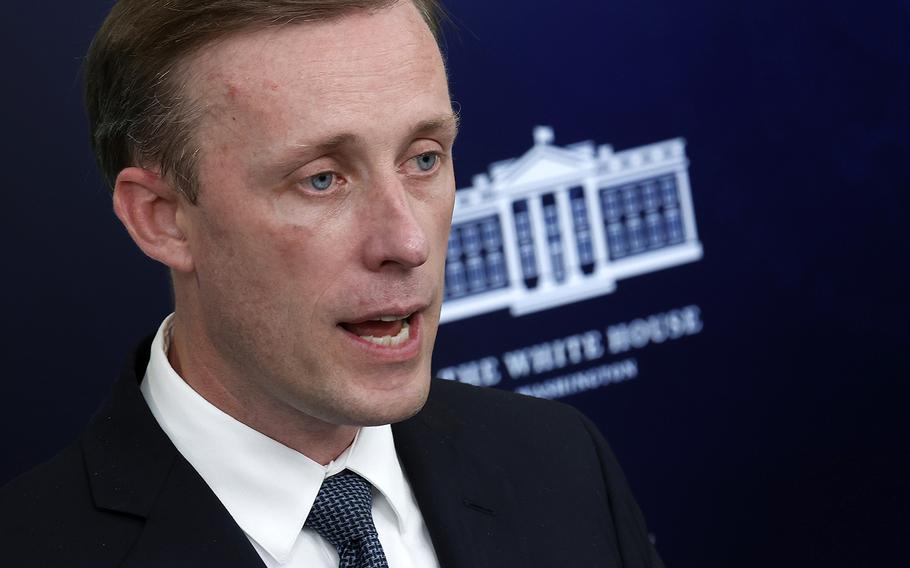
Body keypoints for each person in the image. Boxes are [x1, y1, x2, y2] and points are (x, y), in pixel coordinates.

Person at [0, 1, 664, 566]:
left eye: (423, 159)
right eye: (322, 178)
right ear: (164, 219)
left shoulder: (562, 463)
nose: (406, 242)